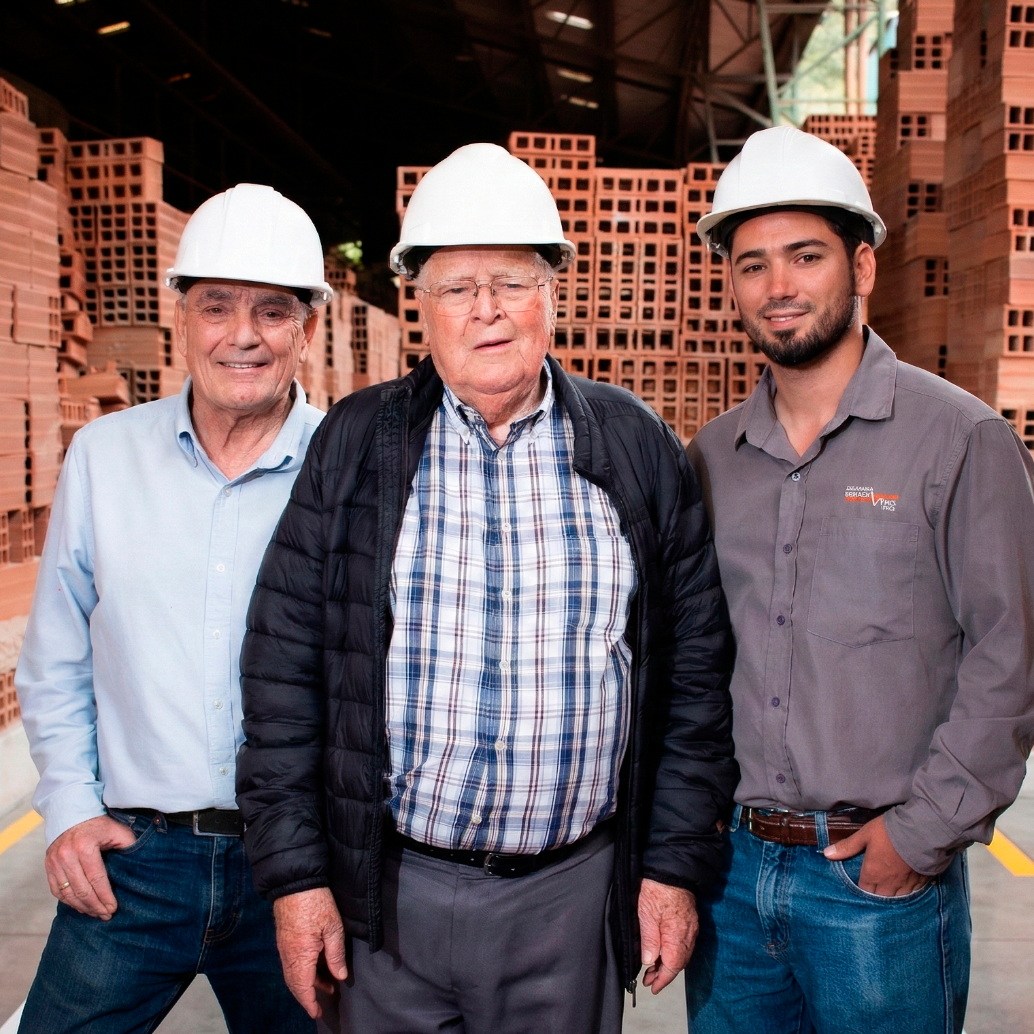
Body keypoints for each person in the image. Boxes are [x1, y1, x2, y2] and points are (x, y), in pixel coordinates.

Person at [235, 142, 738, 1033]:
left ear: (554, 293)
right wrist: (298, 880)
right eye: (457, 288)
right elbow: (282, 677)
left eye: (511, 281)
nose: (488, 311)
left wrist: (671, 869)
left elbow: (694, 682)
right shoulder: (358, 444)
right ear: (418, 305)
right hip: (387, 899)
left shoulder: (635, 447)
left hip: (571, 900)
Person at [685, 124, 1034, 1034]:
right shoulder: (712, 459)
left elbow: (1011, 654)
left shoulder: (958, 442)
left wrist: (919, 838)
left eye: (805, 256)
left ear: (864, 267)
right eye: (753, 264)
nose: (780, 287)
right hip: (730, 877)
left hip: (876, 885)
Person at [16, 183, 329, 1033]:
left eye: (271, 311)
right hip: (133, 862)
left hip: (296, 871)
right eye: (215, 306)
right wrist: (72, 808)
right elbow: (56, 655)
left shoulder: (350, 468)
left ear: (308, 326)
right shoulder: (104, 457)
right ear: (181, 316)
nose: (241, 335)